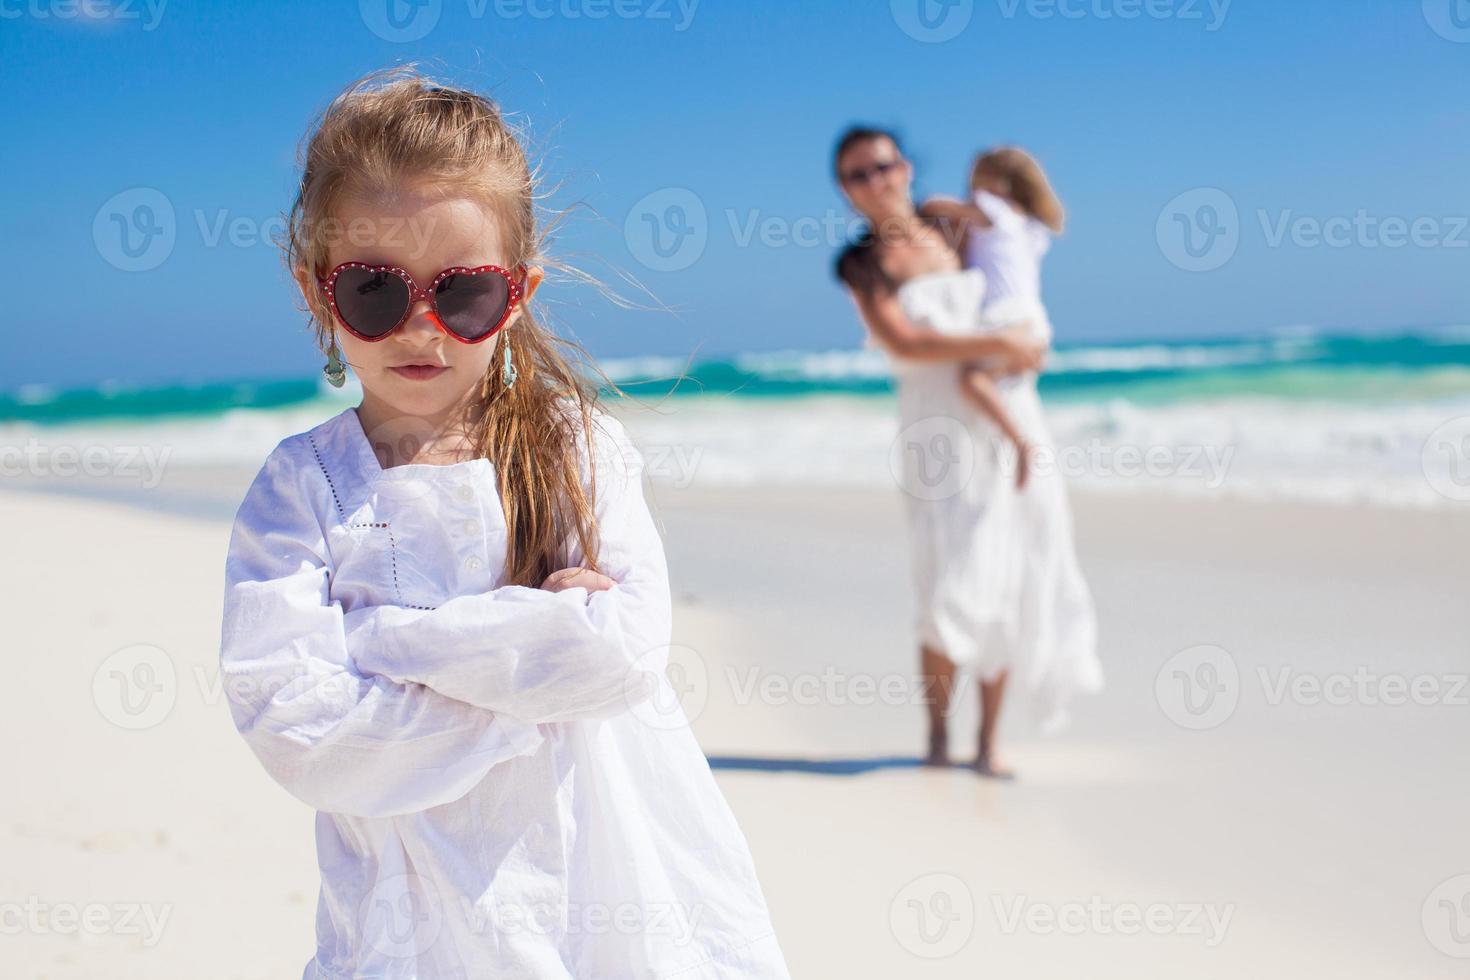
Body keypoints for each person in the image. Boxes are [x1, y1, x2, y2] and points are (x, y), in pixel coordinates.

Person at [218, 68, 791, 978]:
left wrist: (383, 643)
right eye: (374, 291)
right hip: (400, 932)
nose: (420, 329)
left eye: (462, 294)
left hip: (595, 913)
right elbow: (300, 733)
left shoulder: (577, 451)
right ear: (315, 291)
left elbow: (622, 653)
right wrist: (530, 689)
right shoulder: (301, 489)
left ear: (516, 293)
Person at [832, 126, 1102, 778]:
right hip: (935, 434)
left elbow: (1018, 268)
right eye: (859, 174)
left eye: (884, 165)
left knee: (1011, 571)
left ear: (905, 166)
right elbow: (905, 344)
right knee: (945, 580)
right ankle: (936, 737)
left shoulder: (955, 228)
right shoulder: (862, 263)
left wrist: (1018, 347)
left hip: (1005, 416)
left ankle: (987, 744)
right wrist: (996, 345)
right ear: (846, 190)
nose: (878, 181)